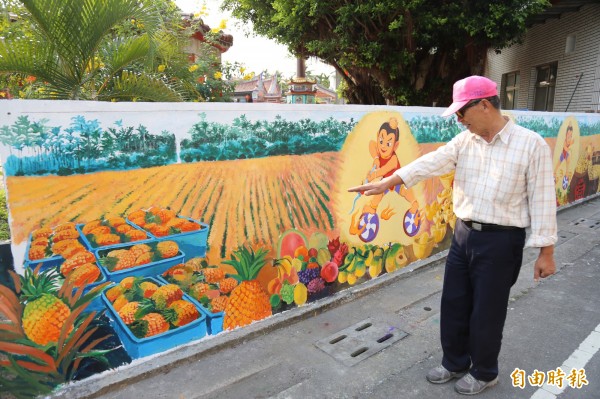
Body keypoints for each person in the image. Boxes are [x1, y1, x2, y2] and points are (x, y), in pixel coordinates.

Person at [348, 75, 557, 395]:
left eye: (462, 113)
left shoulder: (530, 145)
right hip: (463, 236)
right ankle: (455, 361)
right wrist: (387, 182)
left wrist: (546, 252)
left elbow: (543, 198)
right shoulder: (465, 142)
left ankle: (485, 371)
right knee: (455, 303)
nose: (459, 120)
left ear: (484, 105)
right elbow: (431, 163)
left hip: (501, 241)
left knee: (487, 310)